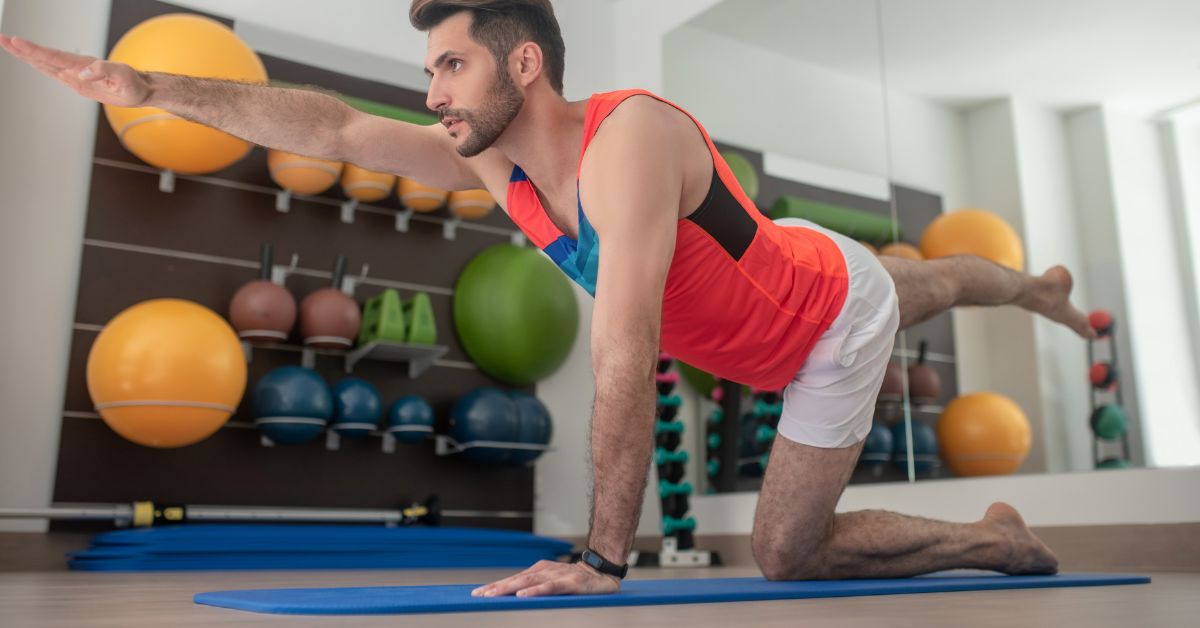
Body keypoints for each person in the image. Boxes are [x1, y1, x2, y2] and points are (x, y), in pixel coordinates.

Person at [0, 0, 1094, 599]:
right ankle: (1035, 295)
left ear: (524, 65)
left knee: (790, 550)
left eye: (449, 68)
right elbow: (330, 128)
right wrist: (151, 90)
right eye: (429, 72)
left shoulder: (627, 144)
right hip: (783, 260)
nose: (432, 94)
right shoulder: (487, 158)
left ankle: (998, 536)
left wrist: (601, 558)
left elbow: (624, 357)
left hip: (822, 326)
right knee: (933, 279)